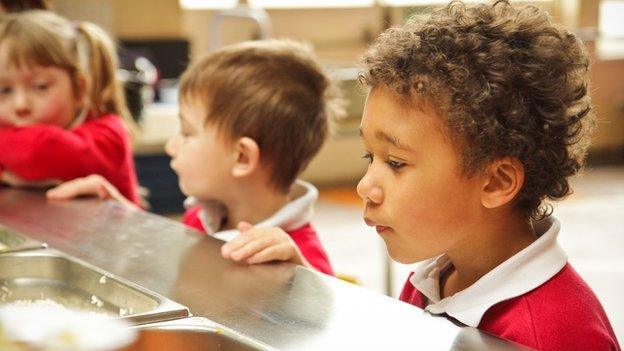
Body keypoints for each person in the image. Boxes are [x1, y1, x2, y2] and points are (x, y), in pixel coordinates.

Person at [354, 1, 618, 349]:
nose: (364, 187)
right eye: (369, 156)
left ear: (496, 182)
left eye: (396, 162)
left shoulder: (554, 336)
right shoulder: (434, 281)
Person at [48, 39, 343, 275]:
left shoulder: (296, 253)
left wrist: (298, 274)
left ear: (241, 157)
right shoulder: (204, 216)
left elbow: (328, 333)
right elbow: (166, 252)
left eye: (187, 133)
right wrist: (117, 212)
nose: (171, 146)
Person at [0, 10, 139, 204]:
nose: (20, 105)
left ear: (80, 89)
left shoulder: (109, 134)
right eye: (4, 90)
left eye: (40, 87)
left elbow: (37, 150)